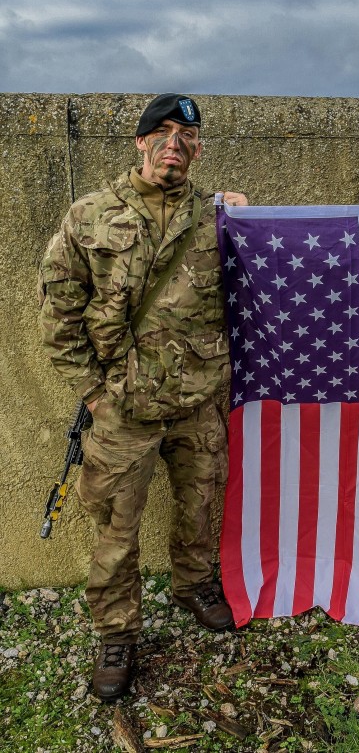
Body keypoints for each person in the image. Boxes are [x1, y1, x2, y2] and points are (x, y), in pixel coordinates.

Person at [39, 94, 248, 699]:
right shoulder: (89, 216)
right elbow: (58, 316)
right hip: (123, 409)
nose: (174, 143)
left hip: (198, 400)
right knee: (114, 528)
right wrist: (94, 395)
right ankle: (117, 631)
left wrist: (249, 217)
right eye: (161, 132)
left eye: (186, 134)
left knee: (200, 506)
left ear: (199, 148)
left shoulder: (218, 217)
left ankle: (193, 585)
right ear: (139, 143)